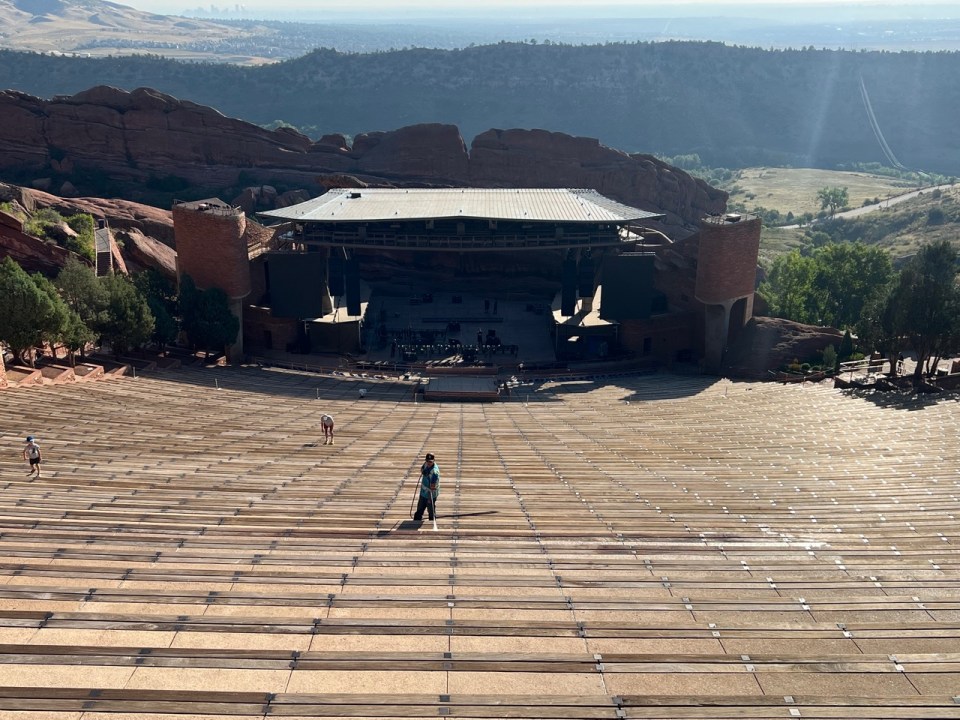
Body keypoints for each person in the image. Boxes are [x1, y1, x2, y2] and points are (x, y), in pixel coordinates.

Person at [413, 452, 440, 522]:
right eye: (427, 461)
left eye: (430, 462)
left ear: (434, 461)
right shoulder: (425, 464)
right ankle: (416, 521)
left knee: (431, 509)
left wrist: (429, 499)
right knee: (420, 508)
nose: (428, 463)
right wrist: (423, 472)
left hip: (431, 493)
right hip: (423, 492)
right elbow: (422, 468)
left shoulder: (434, 473)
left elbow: (432, 487)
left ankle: (432, 522)